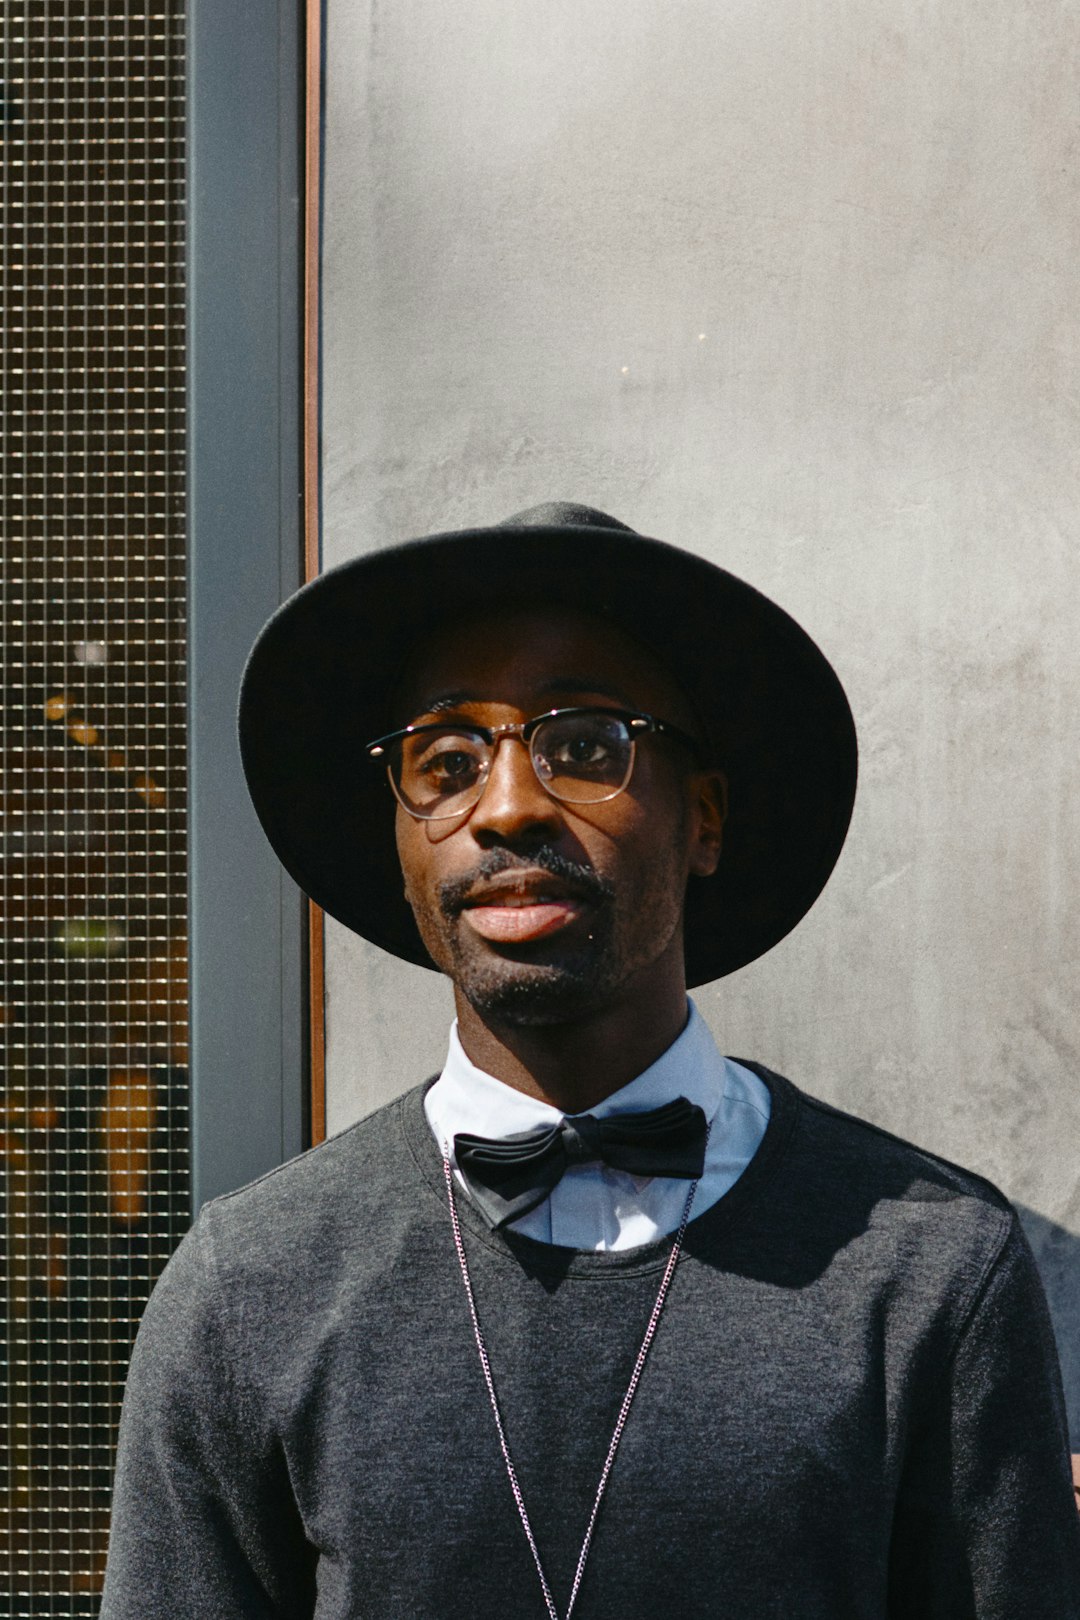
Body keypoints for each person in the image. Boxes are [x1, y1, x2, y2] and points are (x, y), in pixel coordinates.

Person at [100, 503, 1080, 1618]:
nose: (508, 806)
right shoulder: (249, 1289)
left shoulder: (931, 1272)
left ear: (703, 817)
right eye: (446, 758)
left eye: (584, 746)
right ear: (401, 836)